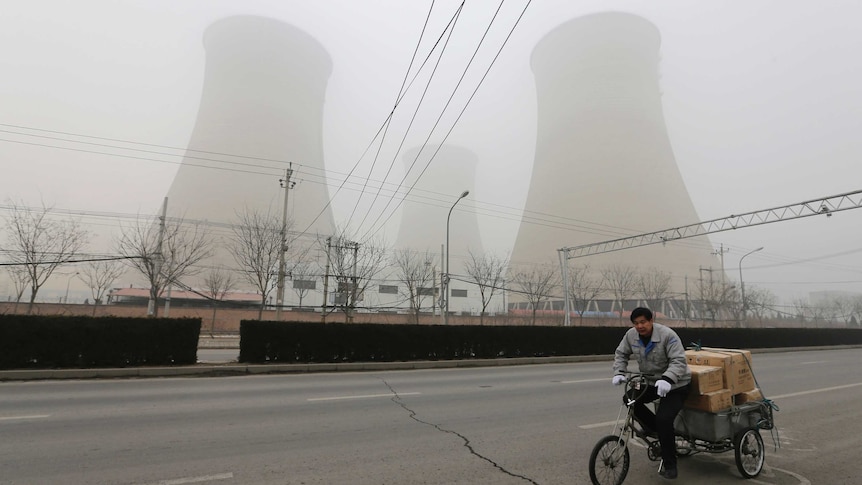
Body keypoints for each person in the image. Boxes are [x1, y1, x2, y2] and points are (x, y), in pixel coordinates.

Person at [612, 307, 690, 480]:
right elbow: (621, 353)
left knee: (664, 418)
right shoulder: (631, 335)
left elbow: (679, 360)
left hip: (676, 384)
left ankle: (670, 465)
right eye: (636, 323)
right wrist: (619, 372)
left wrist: (668, 379)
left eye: (643, 322)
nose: (640, 326)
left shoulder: (667, 335)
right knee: (630, 398)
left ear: (651, 320)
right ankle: (656, 430)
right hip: (650, 381)